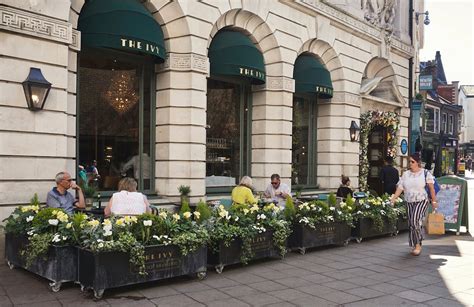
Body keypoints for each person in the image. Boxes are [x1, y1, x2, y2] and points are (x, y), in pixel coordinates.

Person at [390, 152, 438, 256]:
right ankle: (416, 241)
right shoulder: (406, 174)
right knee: (412, 224)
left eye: (412, 161)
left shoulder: (425, 173)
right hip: (409, 201)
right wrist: (393, 198)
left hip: (421, 200)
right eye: (409, 161)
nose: (410, 163)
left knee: (414, 221)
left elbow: (431, 189)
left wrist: (434, 201)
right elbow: (400, 187)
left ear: (418, 163)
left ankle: (417, 245)